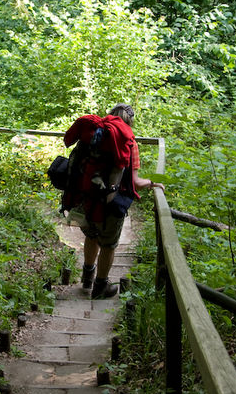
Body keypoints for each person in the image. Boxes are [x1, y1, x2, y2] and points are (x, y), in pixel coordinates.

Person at [63, 104, 165, 299]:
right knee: (108, 244)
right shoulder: (129, 142)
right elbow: (135, 182)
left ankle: (87, 277)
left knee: (91, 236)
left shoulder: (93, 135)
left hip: (86, 198)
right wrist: (153, 183)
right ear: (130, 122)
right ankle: (100, 287)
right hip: (109, 203)